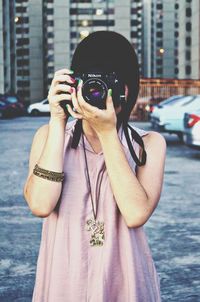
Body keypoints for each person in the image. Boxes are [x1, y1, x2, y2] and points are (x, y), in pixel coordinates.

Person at [23, 31, 166, 302]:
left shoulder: (149, 144)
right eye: (90, 81)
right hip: (64, 280)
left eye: (109, 81)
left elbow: (135, 213)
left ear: (126, 88)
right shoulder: (49, 136)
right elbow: (41, 205)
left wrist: (109, 133)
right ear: (74, 84)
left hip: (124, 281)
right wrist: (57, 120)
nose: (98, 91)